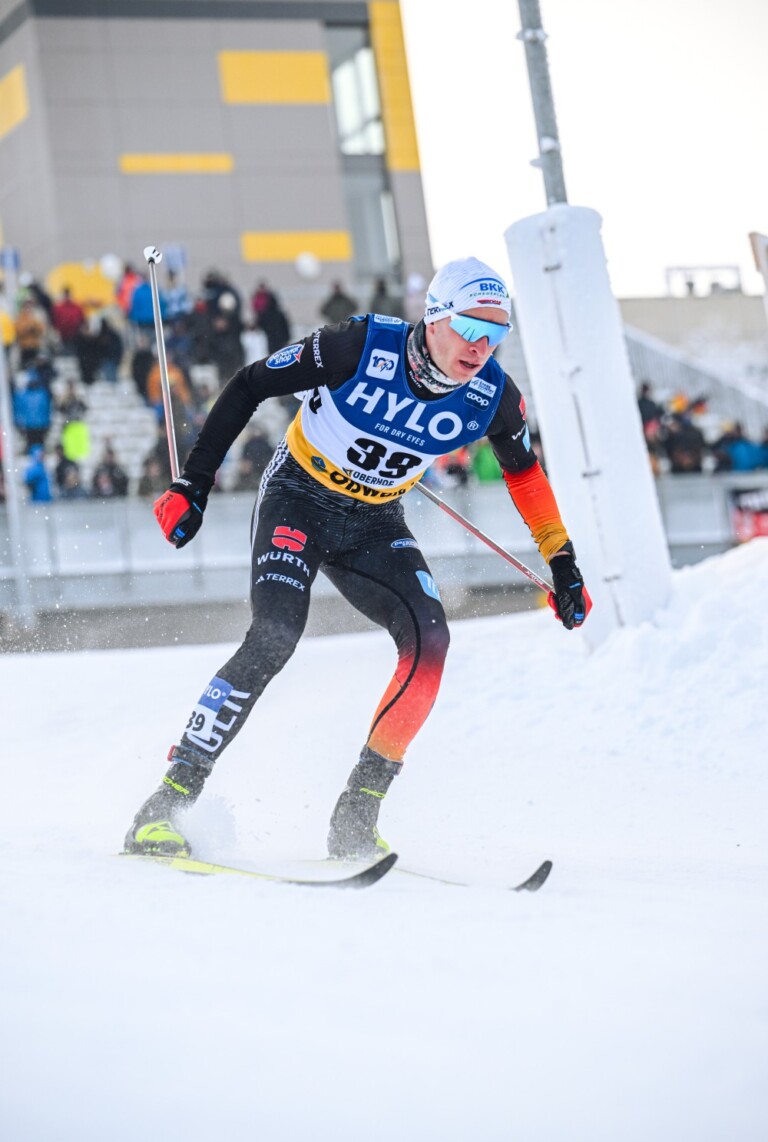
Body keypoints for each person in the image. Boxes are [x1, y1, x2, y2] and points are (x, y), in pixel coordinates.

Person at [124, 256, 590, 860]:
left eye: (497, 333)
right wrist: (194, 484)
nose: (482, 347)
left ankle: (356, 817)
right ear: (435, 317)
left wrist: (563, 565)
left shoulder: (493, 395)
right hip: (298, 497)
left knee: (430, 642)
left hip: (374, 522)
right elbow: (249, 383)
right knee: (275, 634)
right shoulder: (361, 345)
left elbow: (525, 475)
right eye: (471, 327)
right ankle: (166, 803)